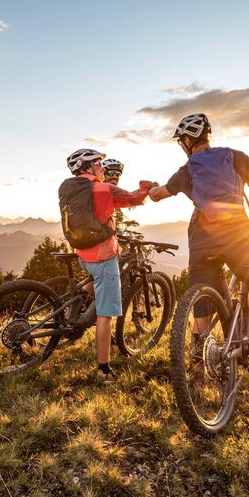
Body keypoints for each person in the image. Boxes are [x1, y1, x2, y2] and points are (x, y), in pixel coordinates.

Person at [148, 113, 249, 358]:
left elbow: (158, 194)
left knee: (202, 300)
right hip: (235, 235)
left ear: (186, 141)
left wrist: (150, 188)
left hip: (201, 240)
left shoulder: (186, 170)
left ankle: (197, 357)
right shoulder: (237, 158)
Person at [63, 148, 153, 383]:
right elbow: (132, 199)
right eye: (99, 165)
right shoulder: (104, 188)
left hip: (82, 254)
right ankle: (104, 370)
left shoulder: (71, 189)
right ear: (89, 167)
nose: (102, 169)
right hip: (103, 258)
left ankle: (74, 306)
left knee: (95, 279)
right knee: (105, 315)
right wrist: (145, 188)